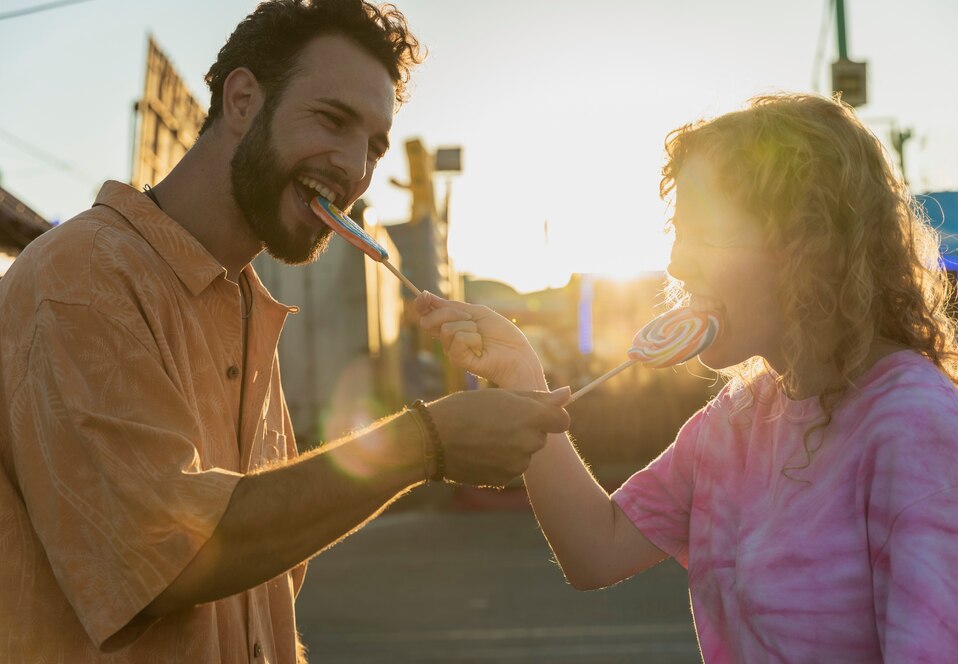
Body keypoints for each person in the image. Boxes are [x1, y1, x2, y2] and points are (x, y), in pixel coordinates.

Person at [0, 1, 570, 661]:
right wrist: (425, 444)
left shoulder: (247, 307)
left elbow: (259, 601)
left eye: (375, 146)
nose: (356, 168)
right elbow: (170, 554)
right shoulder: (83, 276)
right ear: (242, 100)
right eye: (332, 120)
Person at [418, 93, 958, 662]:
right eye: (678, 229)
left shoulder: (915, 429)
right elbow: (596, 549)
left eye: (707, 232)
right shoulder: (737, 420)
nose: (674, 262)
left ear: (807, 244)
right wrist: (523, 374)